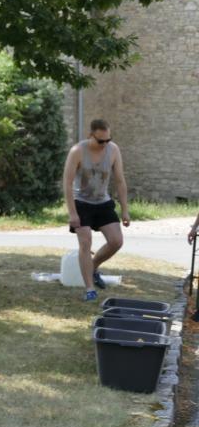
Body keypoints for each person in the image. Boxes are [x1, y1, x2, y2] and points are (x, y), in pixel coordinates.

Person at [62, 119, 130, 301]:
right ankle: (90, 289)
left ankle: (92, 267)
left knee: (116, 241)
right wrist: (72, 213)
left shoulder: (113, 150)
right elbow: (67, 183)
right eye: (101, 141)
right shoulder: (77, 151)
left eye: (108, 140)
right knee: (85, 243)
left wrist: (125, 210)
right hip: (81, 202)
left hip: (102, 202)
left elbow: (120, 181)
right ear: (90, 135)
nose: (105, 144)